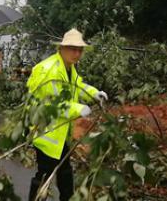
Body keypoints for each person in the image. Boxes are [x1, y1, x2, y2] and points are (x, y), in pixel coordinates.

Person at [26, 28, 108, 201]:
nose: (77, 53)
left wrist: (94, 93)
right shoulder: (50, 70)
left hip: (60, 132)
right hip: (46, 133)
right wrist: (77, 109)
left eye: (80, 50)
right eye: (73, 48)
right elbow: (51, 105)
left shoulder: (68, 68)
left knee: (64, 172)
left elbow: (78, 86)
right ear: (62, 48)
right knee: (45, 175)